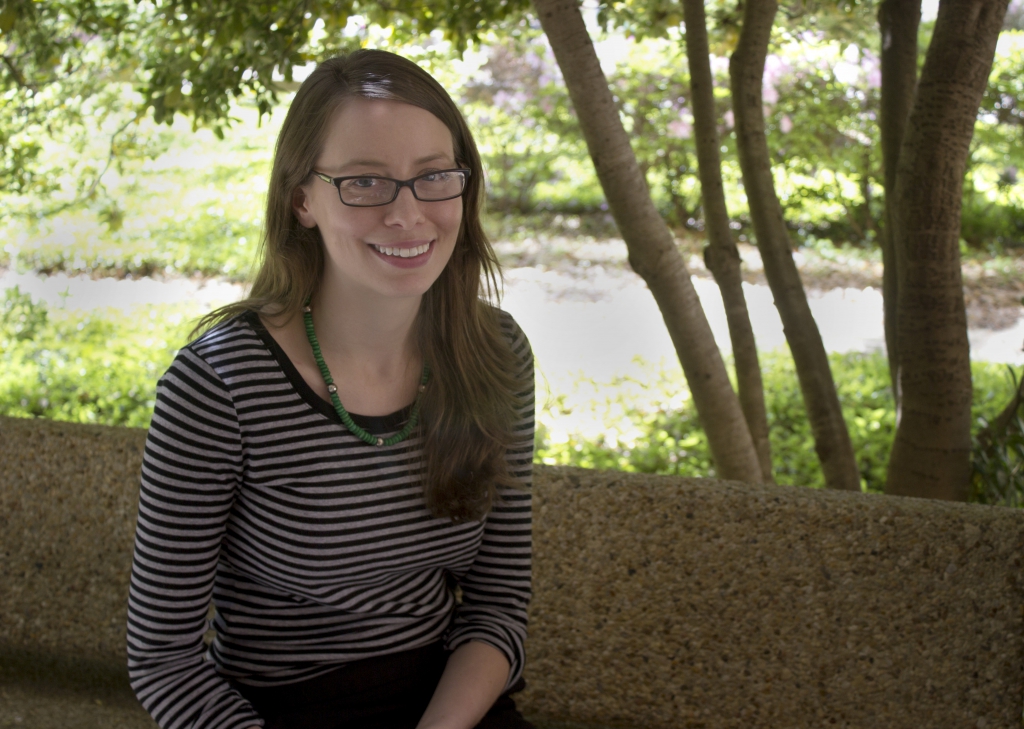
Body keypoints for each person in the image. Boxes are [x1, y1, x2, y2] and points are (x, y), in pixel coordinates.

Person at [126, 50, 535, 729]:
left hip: (448, 704)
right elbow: (162, 660)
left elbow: (498, 606)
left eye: (434, 176)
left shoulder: (495, 353)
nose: (407, 215)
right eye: (365, 182)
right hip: (271, 711)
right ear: (301, 198)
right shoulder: (219, 384)